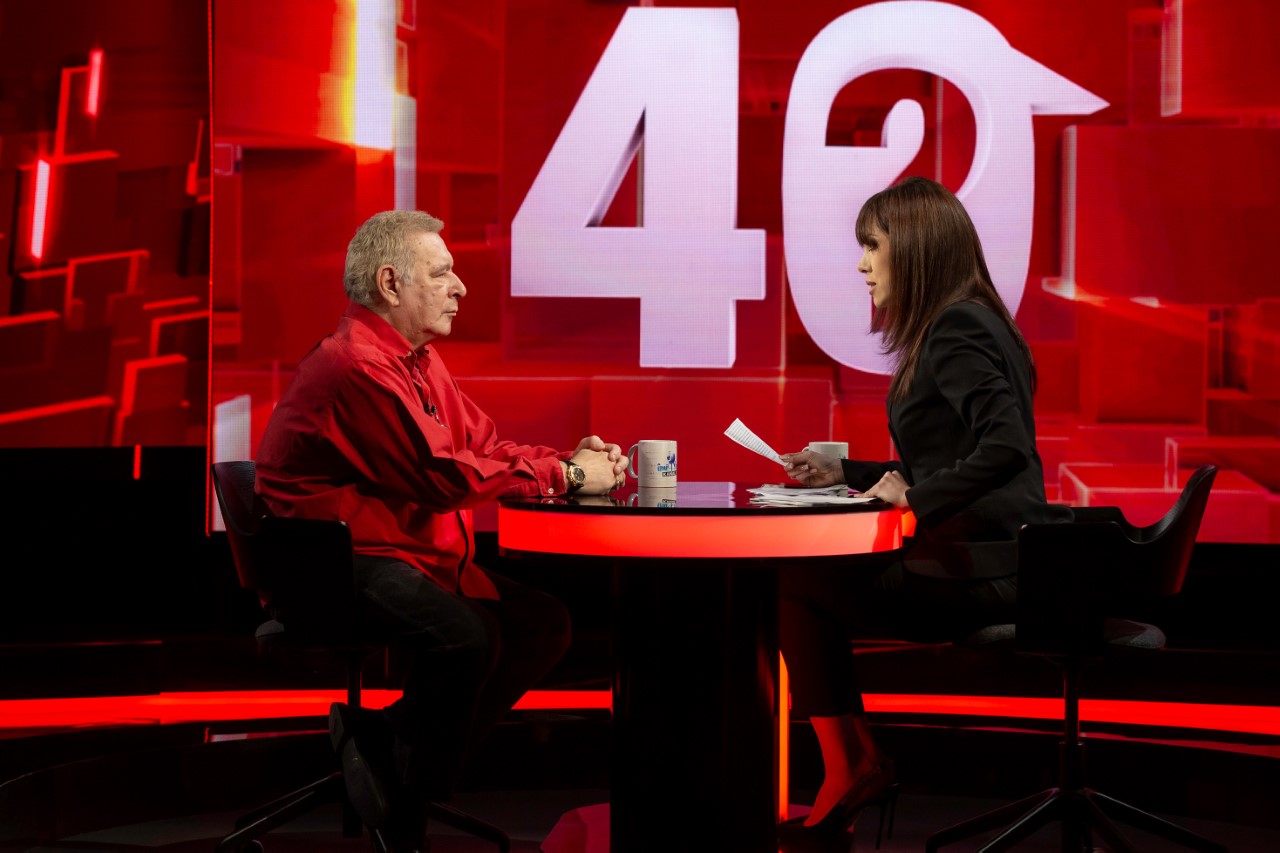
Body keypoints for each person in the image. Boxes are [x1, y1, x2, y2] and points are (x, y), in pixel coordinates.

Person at [254, 209, 629, 852]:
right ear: (391, 282)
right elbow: (443, 478)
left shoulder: (417, 361)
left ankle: (382, 747)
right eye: (442, 273)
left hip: (397, 550)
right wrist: (566, 475)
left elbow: (481, 447)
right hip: (330, 563)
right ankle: (405, 806)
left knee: (542, 622)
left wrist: (567, 462)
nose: (460, 287)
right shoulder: (358, 366)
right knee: (466, 634)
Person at [775, 176, 1072, 850]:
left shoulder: (956, 327)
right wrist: (847, 473)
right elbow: (956, 454)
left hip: (989, 572)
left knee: (791, 575)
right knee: (799, 574)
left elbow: (1006, 447)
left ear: (913, 248)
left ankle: (850, 767)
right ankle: (855, 763)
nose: (861, 264)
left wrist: (914, 498)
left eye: (872, 246)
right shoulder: (975, 319)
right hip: (999, 563)